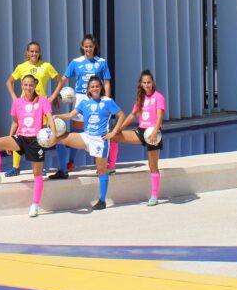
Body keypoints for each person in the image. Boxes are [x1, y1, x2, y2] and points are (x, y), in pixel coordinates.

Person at [0, 75, 55, 218]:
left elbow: (50, 118)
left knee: (37, 174)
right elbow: (15, 122)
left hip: (36, 140)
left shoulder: (43, 101)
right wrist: (10, 138)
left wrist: (54, 135)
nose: (28, 88)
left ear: (35, 85)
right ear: (21, 85)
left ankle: (35, 205)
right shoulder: (17, 102)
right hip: (21, 138)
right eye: (25, 85)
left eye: (31, 85)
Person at [52, 75, 126, 210]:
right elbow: (70, 116)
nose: (95, 89)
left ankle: (102, 200)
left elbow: (122, 116)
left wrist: (114, 132)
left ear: (101, 87)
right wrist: (56, 116)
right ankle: (63, 170)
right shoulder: (85, 103)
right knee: (60, 139)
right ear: (89, 89)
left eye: (97, 86)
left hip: (100, 140)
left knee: (101, 170)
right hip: (86, 137)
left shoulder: (108, 101)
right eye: (92, 87)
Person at [49, 34, 113, 179]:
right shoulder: (75, 62)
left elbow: (107, 82)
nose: (88, 49)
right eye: (86, 46)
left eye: (91, 46)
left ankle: (101, 165)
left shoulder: (101, 62)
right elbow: (63, 80)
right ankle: (68, 165)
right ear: (82, 47)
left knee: (97, 132)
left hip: (97, 100)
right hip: (80, 99)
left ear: (94, 47)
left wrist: (107, 101)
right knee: (77, 131)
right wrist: (53, 96)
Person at [108, 70, 165, 206]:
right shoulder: (141, 98)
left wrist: (155, 132)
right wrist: (119, 128)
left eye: (149, 82)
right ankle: (111, 166)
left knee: (153, 166)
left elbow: (159, 117)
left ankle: (154, 196)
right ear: (141, 84)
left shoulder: (159, 97)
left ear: (153, 83)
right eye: (144, 83)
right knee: (114, 137)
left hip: (153, 134)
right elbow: (132, 115)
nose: (147, 85)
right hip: (141, 131)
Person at [4, 41, 59, 177]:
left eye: (36, 51)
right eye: (32, 51)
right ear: (27, 53)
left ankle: (39, 164)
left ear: (40, 52)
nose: (34, 54)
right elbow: (9, 82)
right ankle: (15, 167)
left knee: (41, 136)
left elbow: (60, 81)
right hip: (25, 107)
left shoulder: (46, 66)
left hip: (41, 106)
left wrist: (53, 97)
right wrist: (14, 98)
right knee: (19, 133)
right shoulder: (21, 67)